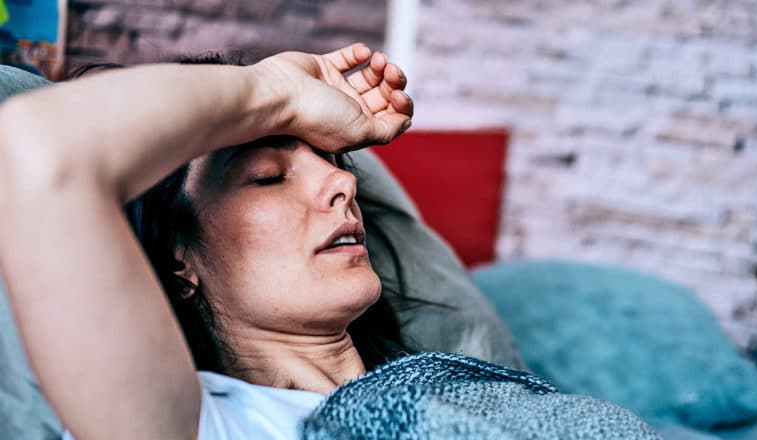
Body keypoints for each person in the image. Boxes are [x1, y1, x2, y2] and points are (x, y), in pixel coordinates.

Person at [0, 44, 659, 439]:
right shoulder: (194, 422)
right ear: (180, 259)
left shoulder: (463, 386)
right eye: (267, 176)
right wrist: (274, 90)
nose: (341, 188)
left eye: (336, 165)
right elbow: (32, 150)